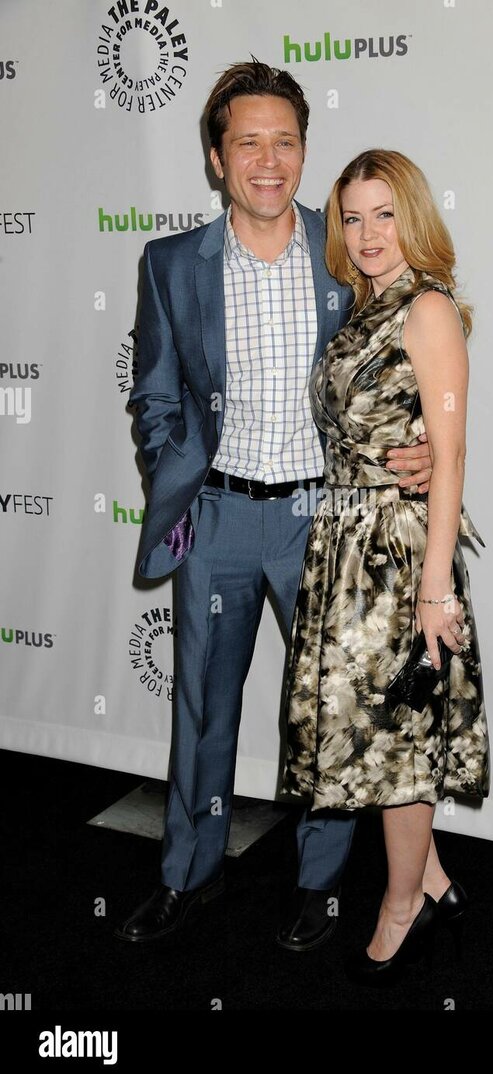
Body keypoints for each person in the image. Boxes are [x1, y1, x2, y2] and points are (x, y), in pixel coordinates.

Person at [115, 63, 433, 948]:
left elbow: (406, 350)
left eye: (284, 141)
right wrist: (172, 470)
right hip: (216, 516)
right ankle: (188, 874)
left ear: (303, 151)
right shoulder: (171, 263)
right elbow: (154, 392)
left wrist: (415, 441)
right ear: (217, 159)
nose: (268, 160)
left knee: (332, 711)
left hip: (322, 521)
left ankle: (320, 885)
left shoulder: (347, 248)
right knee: (200, 711)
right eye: (247, 142)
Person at [280, 149, 490, 985]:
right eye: (353, 217)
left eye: (385, 215)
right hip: (345, 546)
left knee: (396, 740)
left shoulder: (425, 308)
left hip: (398, 558)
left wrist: (434, 590)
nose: (368, 234)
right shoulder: (363, 308)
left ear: (413, 217)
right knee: (375, 728)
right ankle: (432, 880)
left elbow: (452, 452)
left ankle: (401, 904)